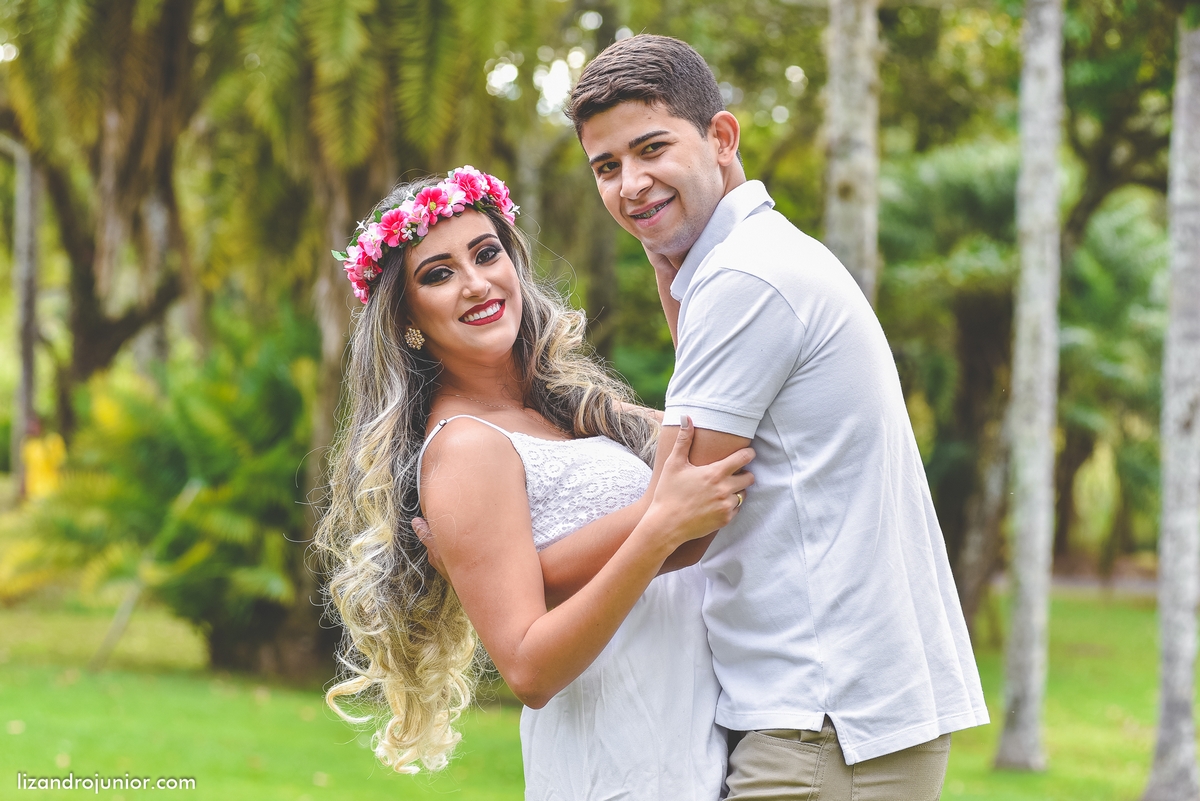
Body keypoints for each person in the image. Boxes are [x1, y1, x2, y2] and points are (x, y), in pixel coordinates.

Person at [559, 34, 990, 800]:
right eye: (607, 166)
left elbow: (683, 524)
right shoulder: (753, 260)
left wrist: (512, 574)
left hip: (825, 725)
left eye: (651, 148)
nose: (631, 183)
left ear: (721, 138)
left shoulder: (746, 280)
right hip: (834, 715)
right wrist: (673, 272)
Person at [315, 166, 755, 800]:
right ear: (408, 317)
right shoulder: (465, 448)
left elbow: (701, 438)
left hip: (690, 728)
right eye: (438, 275)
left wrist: (671, 274)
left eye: (486, 254)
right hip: (617, 756)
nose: (475, 284)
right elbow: (527, 667)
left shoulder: (562, 411)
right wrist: (657, 525)